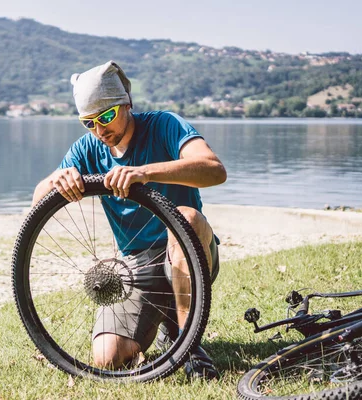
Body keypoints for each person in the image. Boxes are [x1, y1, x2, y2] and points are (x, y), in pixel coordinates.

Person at [32, 61, 227, 380]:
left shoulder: (165, 124)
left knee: (187, 218)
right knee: (108, 358)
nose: (99, 129)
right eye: (88, 122)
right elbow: (37, 200)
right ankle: (167, 326)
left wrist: (146, 172)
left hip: (188, 250)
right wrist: (58, 179)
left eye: (106, 116)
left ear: (127, 104)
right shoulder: (87, 149)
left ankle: (188, 345)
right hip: (136, 266)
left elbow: (214, 170)